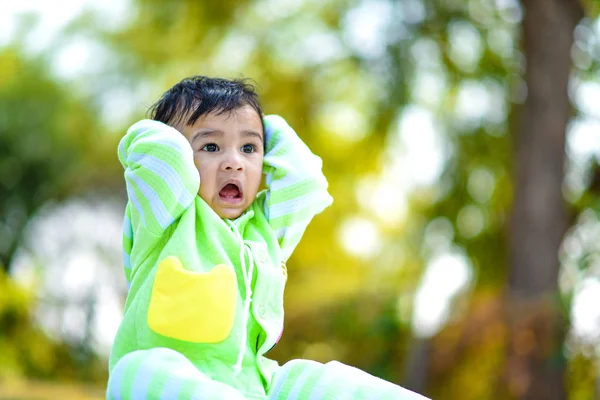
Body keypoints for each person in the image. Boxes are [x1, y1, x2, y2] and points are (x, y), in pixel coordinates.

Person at [107, 76, 428, 400]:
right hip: (168, 384)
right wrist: (215, 126)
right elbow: (156, 150)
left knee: (314, 376)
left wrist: (262, 124)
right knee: (136, 370)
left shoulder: (266, 230)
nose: (235, 162)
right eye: (211, 146)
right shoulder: (164, 214)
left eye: (249, 148)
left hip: (251, 387)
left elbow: (305, 180)